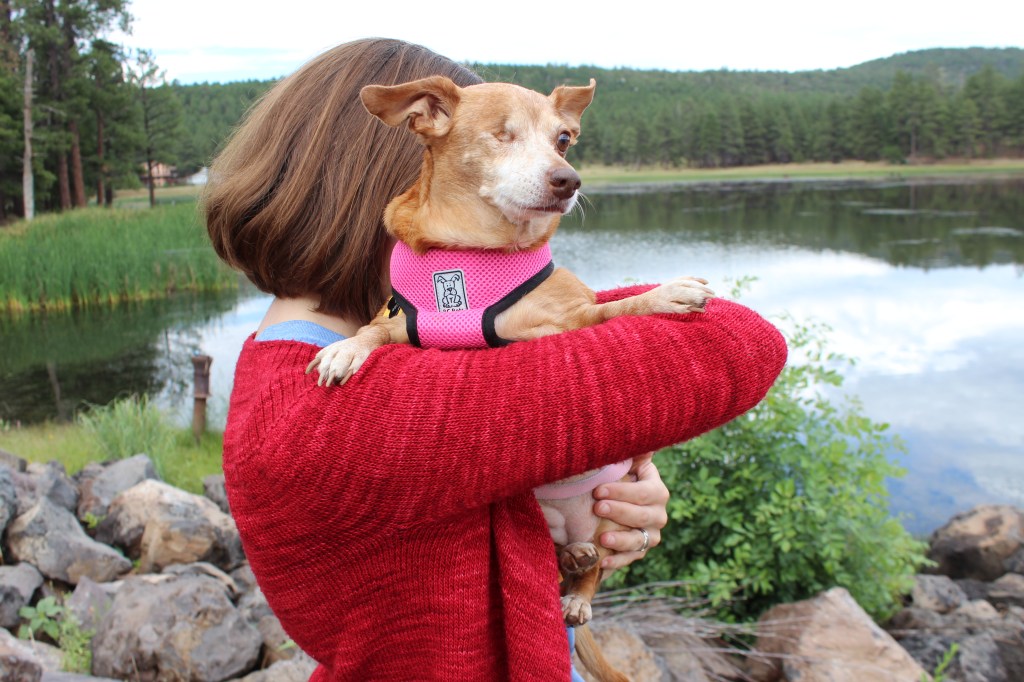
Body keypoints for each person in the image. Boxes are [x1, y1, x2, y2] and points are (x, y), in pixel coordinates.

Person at [203, 38, 787, 681]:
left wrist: (587, 513)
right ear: (416, 169)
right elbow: (737, 341)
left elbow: (512, 405)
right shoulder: (354, 407)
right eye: (500, 148)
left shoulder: (291, 373)